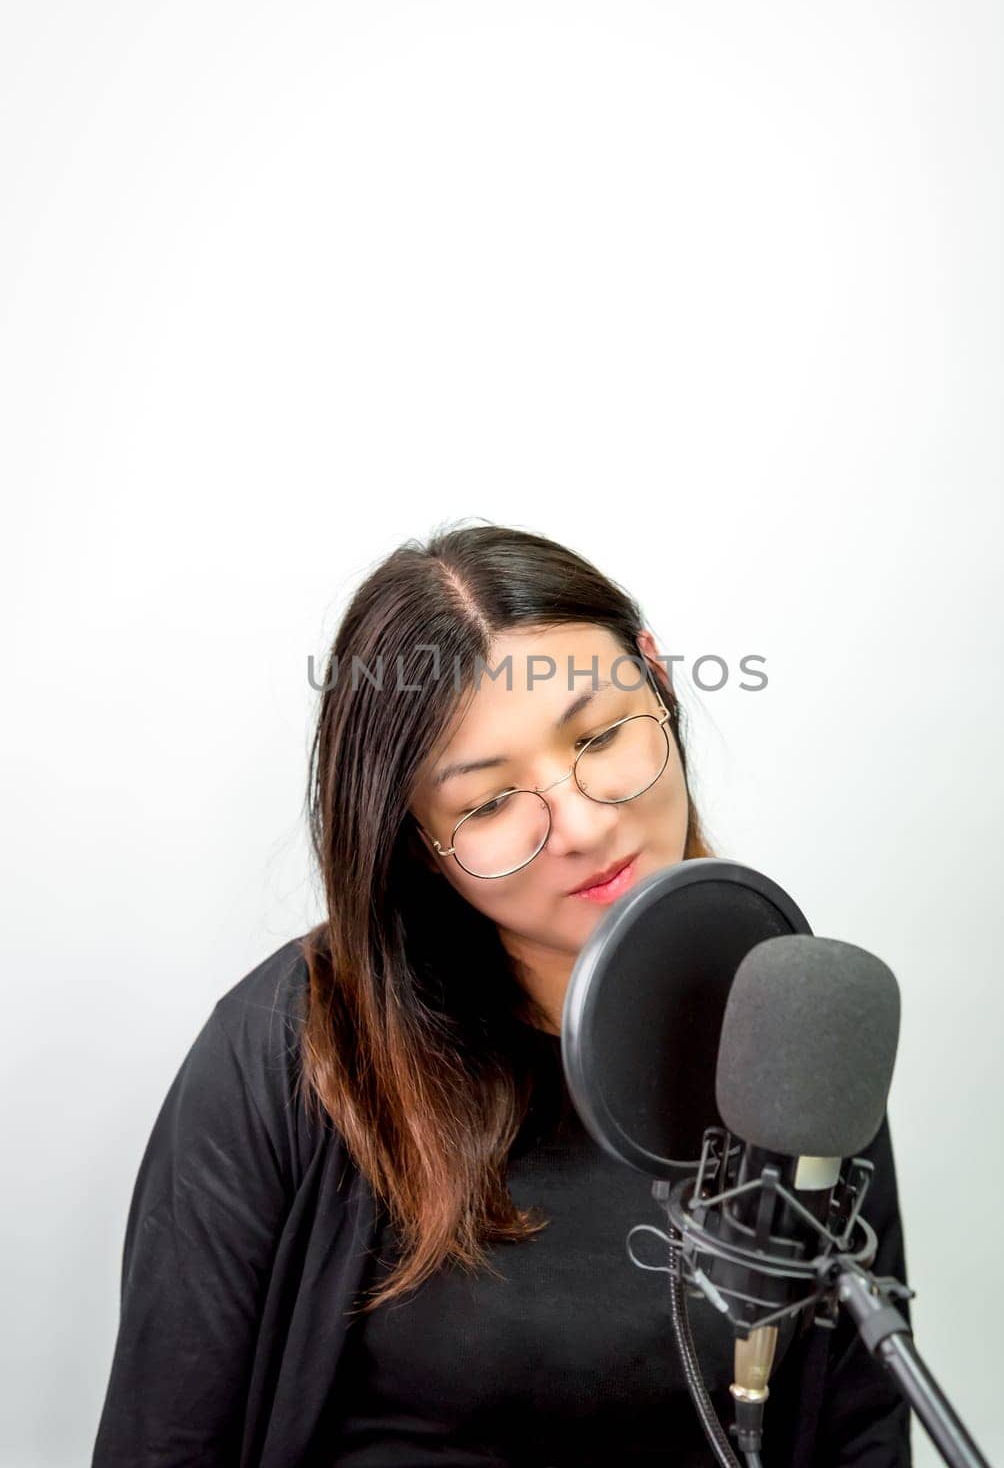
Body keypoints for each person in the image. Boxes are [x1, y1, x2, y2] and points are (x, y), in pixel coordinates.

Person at [91, 519, 912, 1467]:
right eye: (486, 804)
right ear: (416, 846)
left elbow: (860, 1429)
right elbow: (163, 1444)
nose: (580, 823)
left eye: (601, 735)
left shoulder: (787, 1021)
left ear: (658, 676)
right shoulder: (292, 1048)